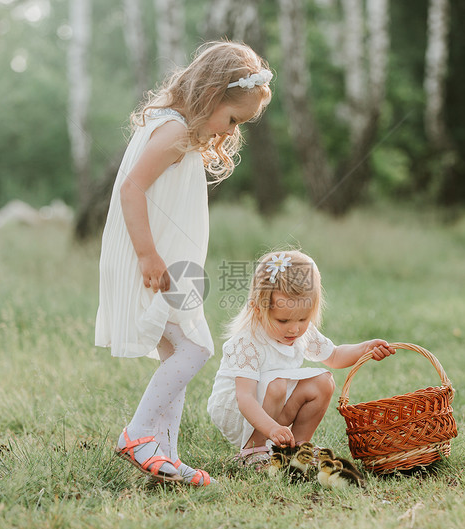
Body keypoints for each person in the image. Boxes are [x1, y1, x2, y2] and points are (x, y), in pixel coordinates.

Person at [95, 41, 273, 486]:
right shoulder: (173, 132)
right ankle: (138, 436)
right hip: (153, 263)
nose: (232, 132)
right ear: (211, 95)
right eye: (232, 119)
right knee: (196, 349)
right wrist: (148, 255)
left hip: (167, 263)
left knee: (176, 351)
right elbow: (132, 189)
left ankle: (165, 456)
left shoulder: (178, 129)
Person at [207, 250, 395, 467]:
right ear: (258, 310)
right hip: (239, 411)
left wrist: (364, 349)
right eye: (283, 320)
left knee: (324, 382)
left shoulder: (300, 332)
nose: (294, 328)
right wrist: (271, 429)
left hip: (274, 401)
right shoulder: (247, 342)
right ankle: (252, 450)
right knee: (276, 385)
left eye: (303, 319)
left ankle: (297, 446)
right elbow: (245, 397)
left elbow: (333, 356)